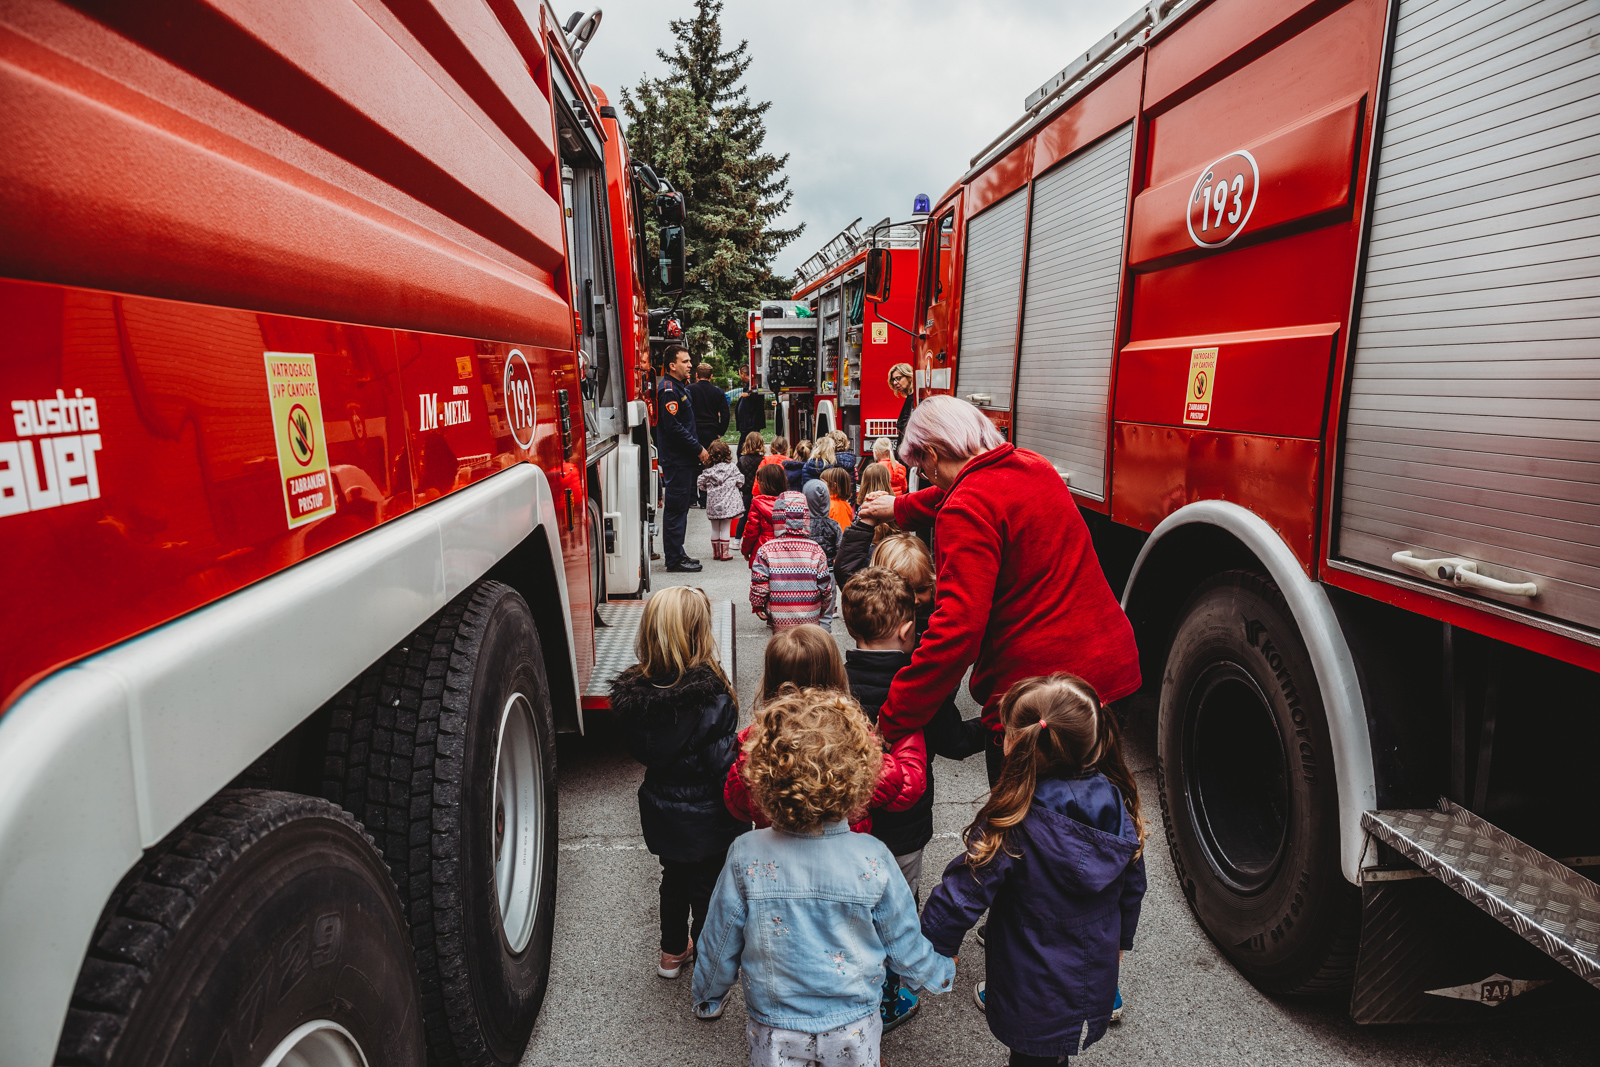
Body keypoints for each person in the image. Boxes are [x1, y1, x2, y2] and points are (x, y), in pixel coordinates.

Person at [857, 395, 1140, 785]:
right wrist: (900, 507)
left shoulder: (965, 510)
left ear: (934, 456)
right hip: (1109, 671)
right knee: (1098, 818)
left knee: (1026, 833)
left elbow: (958, 632)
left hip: (1041, 698)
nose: (923, 473)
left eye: (920, 463)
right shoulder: (1032, 466)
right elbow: (962, 493)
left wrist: (890, 720)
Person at [692, 687, 955, 1067]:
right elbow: (903, 939)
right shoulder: (872, 856)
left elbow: (719, 938)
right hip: (854, 1023)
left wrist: (709, 992)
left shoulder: (746, 854)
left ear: (762, 776)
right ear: (859, 777)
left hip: (774, 1024)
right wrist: (935, 974)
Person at [921, 674, 1147, 1066]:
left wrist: (934, 947)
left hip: (1031, 981)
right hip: (1091, 969)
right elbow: (1133, 884)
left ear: (1016, 744)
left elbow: (964, 891)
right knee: (1053, 1053)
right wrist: (1122, 941)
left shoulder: (1013, 823)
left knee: (1029, 1057)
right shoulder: (1116, 802)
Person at [838, 568, 973, 1033]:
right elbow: (954, 740)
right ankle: (892, 996)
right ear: (907, 629)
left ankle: (850, 984)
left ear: (851, 627)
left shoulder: (835, 683)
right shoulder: (919, 687)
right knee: (898, 908)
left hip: (846, 831)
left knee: (852, 908)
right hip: (905, 828)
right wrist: (996, 723)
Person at [610, 587, 750, 980]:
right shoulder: (712, 699)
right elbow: (723, 764)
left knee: (672, 879)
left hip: (661, 810)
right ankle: (708, 964)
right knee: (707, 888)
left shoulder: (636, 700)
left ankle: (671, 954)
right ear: (700, 633)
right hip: (708, 814)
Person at [655, 345, 709, 572]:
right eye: (685, 361)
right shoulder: (669, 390)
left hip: (682, 461)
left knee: (681, 509)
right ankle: (674, 560)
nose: (690, 365)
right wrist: (698, 449)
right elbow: (673, 427)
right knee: (676, 509)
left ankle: (678, 552)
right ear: (672, 365)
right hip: (677, 460)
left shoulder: (679, 387)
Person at [750, 491, 833, 631]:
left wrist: (758, 604)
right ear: (806, 517)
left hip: (779, 616)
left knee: (783, 648)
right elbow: (824, 584)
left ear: (777, 517)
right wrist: (824, 606)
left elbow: (760, 582)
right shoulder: (815, 550)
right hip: (810, 615)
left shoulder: (766, 550)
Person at [697, 439, 744, 561]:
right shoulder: (732, 468)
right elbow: (741, 480)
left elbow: (700, 482)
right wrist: (736, 485)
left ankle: (716, 552)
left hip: (713, 504)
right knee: (725, 528)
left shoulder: (709, 471)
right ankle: (725, 553)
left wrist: (705, 488)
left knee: (714, 528)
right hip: (727, 504)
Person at [740, 464, 788, 566]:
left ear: (763, 484)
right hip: (785, 550)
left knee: (761, 579)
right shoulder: (790, 502)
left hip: (763, 550)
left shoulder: (757, 504)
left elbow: (751, 531)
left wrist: (745, 550)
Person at [801, 480, 841, 567]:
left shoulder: (801, 525)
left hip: (806, 571)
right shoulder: (833, 525)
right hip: (828, 570)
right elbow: (840, 551)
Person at [736, 432, 765, 534]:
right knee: (760, 517)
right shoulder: (763, 460)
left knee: (744, 518)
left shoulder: (742, 460)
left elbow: (737, 476)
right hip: (760, 493)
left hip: (747, 493)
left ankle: (737, 540)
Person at [735, 368, 766, 438]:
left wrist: (749, 394)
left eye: (740, 374)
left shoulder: (754, 386)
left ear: (743, 374)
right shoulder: (749, 386)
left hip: (750, 424)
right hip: (748, 424)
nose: (740, 377)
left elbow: (757, 394)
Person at [888, 362, 914, 445]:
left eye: (898, 378)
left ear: (909, 377)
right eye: (894, 380)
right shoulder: (911, 398)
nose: (895, 383)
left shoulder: (913, 399)